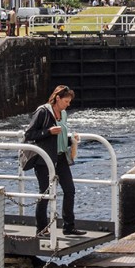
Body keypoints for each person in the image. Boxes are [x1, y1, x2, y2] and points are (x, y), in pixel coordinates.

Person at [23, 85, 83, 237]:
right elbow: (29, 134)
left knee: (70, 190)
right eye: (66, 101)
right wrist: (48, 131)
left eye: (69, 102)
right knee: (45, 193)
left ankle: (69, 227)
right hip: (44, 159)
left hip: (60, 157)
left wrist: (71, 140)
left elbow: (61, 137)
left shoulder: (63, 114)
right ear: (57, 98)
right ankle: (41, 229)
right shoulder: (42, 112)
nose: (68, 105)